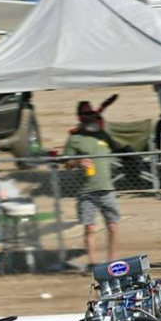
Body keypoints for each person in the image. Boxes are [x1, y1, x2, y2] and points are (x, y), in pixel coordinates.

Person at [63, 103, 120, 271]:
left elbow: (119, 148)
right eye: (86, 113)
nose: (90, 116)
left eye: (91, 113)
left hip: (107, 188)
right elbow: (65, 163)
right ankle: (93, 264)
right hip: (86, 190)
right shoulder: (74, 138)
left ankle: (113, 263)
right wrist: (77, 162)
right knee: (90, 227)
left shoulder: (103, 134)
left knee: (113, 226)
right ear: (80, 116)